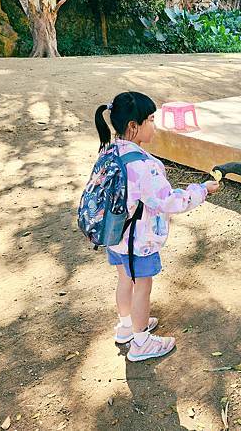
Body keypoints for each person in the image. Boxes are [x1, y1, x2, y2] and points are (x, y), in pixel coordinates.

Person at [93, 91, 219, 362]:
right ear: (133, 126)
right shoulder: (143, 166)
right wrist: (201, 190)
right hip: (139, 240)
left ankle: (126, 327)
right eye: (150, 119)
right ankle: (141, 342)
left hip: (115, 234)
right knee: (143, 287)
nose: (155, 125)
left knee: (124, 279)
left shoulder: (109, 150)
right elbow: (170, 201)